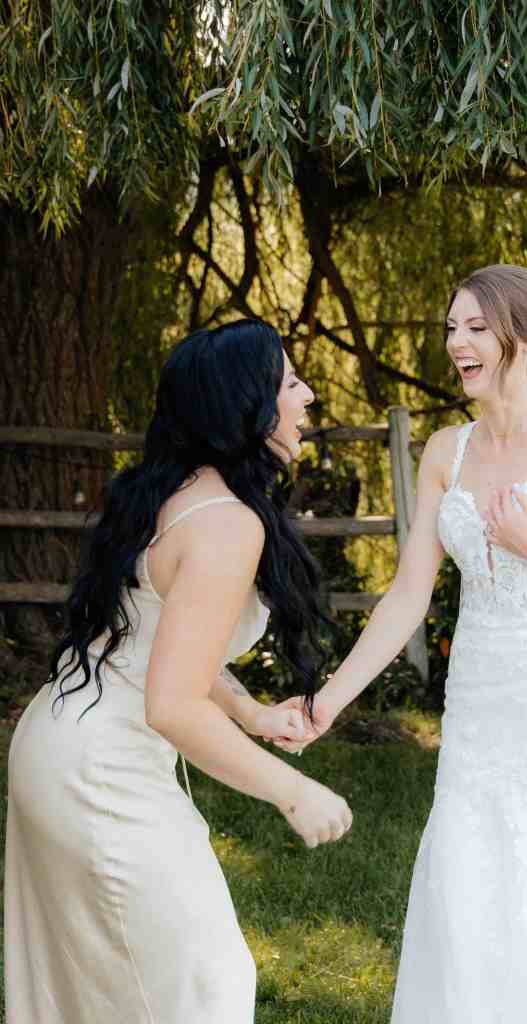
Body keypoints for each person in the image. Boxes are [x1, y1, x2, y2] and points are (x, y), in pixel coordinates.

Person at [281, 265, 527, 1021]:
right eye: (451, 327)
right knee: (470, 876)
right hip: (478, 711)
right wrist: (330, 698)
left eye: (475, 328)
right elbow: (406, 596)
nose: (455, 342)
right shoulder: (444, 453)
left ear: (523, 338)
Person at [4, 319, 352, 1024]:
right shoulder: (226, 522)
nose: (308, 396)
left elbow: (161, 638)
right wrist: (294, 792)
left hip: (60, 743)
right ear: (245, 404)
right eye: (289, 382)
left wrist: (251, 714)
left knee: (110, 990)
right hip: (101, 772)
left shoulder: (176, 491)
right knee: (206, 982)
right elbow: (172, 703)